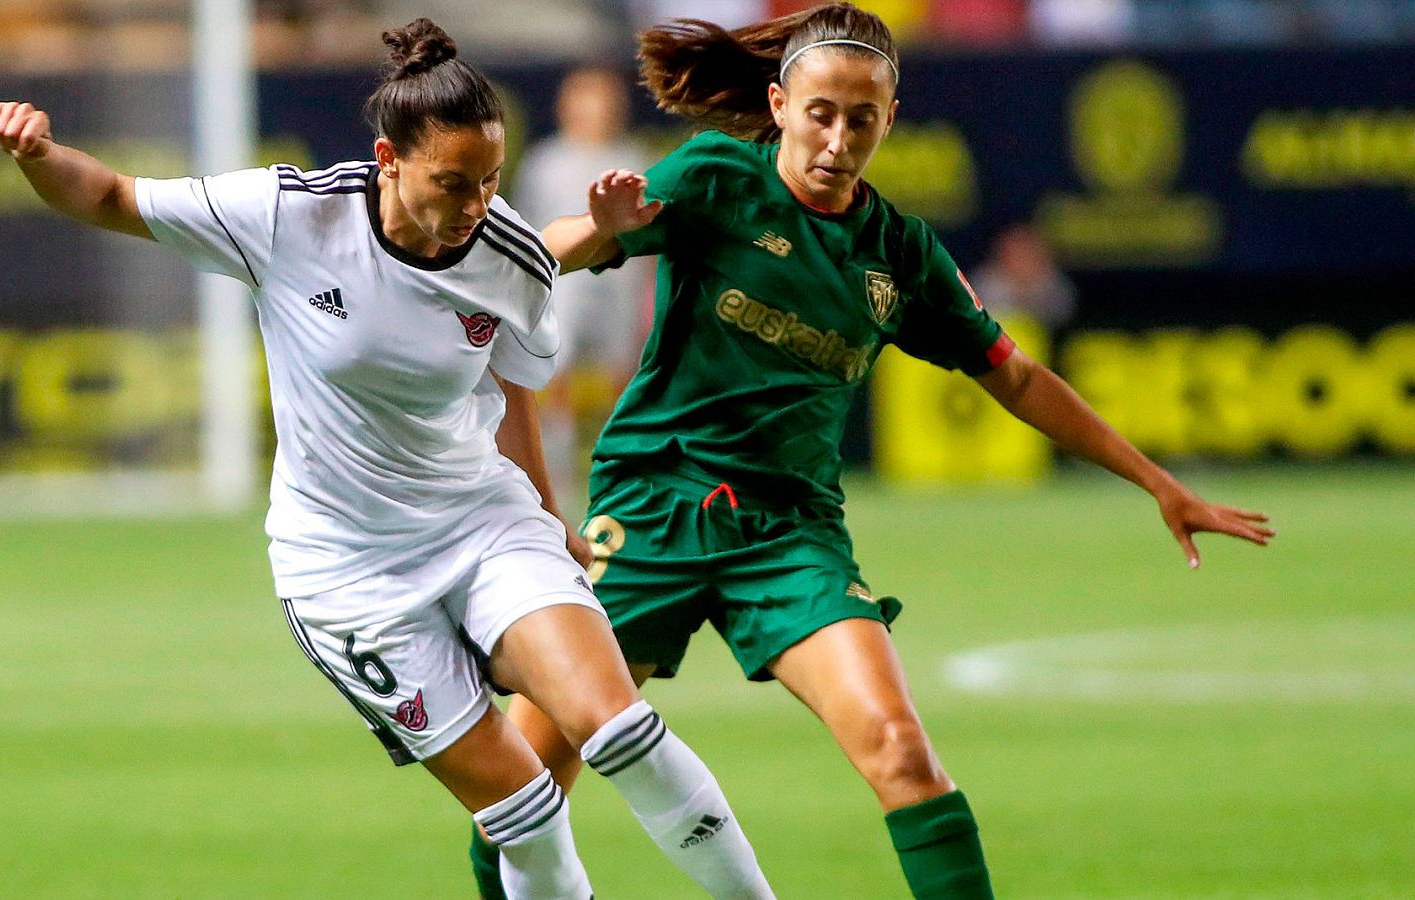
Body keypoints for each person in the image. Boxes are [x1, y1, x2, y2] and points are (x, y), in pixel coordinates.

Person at [469, 4, 1276, 898]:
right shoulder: (716, 177)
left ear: (890, 119)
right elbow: (550, 253)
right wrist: (602, 229)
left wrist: (1156, 481)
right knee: (526, 783)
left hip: (790, 533)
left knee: (900, 750)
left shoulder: (899, 253)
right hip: (654, 508)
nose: (838, 140)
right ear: (779, 105)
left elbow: (1015, 377)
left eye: (862, 119)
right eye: (820, 114)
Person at [0, 19, 773, 900]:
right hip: (348, 572)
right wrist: (37, 156)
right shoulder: (289, 214)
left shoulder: (508, 251)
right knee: (524, 810)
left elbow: (513, 385)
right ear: (388, 160)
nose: (475, 205)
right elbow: (110, 196)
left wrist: (550, 518)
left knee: (618, 726)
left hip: (481, 525)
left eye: (491, 180)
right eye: (453, 182)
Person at [513, 65, 655, 500]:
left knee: (623, 380)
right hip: (563, 286)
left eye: (604, 98)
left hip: (620, 284)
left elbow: (651, 237)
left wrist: (648, 298)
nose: (597, 109)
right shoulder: (545, 162)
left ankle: (620, 473)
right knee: (554, 376)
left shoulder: (636, 157)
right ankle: (553, 476)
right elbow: (527, 232)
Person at [971, 223, 1077, 333]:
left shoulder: (1051, 281)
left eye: (1028, 251)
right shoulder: (985, 283)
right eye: (1016, 252)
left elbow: (1063, 315)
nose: (1023, 258)